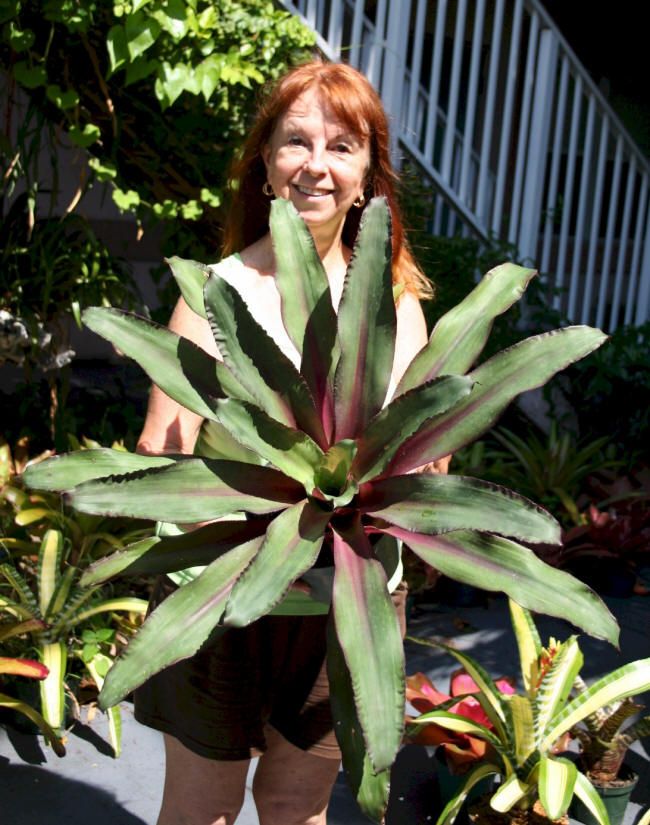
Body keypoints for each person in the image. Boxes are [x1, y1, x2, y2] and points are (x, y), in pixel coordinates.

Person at [134, 59, 448, 825]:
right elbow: (159, 454)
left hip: (344, 611)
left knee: (295, 807)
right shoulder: (213, 293)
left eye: (342, 146)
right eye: (296, 142)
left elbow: (428, 465)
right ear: (265, 165)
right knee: (200, 811)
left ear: (369, 173)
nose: (316, 164)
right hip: (220, 602)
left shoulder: (395, 307)